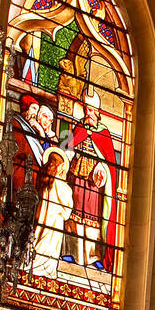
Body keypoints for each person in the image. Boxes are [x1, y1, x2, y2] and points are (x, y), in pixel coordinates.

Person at [63, 88, 119, 272]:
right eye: (86, 110)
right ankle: (74, 252)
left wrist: (101, 170)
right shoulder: (78, 128)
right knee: (74, 215)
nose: (89, 114)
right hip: (77, 178)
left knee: (92, 220)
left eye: (92, 111)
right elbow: (67, 148)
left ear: (97, 113)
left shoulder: (103, 133)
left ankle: (93, 256)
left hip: (95, 183)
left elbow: (109, 162)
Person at [29, 149, 74, 279]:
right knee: (51, 245)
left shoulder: (45, 180)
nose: (62, 171)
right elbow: (67, 208)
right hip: (55, 221)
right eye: (61, 167)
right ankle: (47, 269)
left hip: (44, 218)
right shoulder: (60, 184)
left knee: (41, 238)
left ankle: (35, 263)